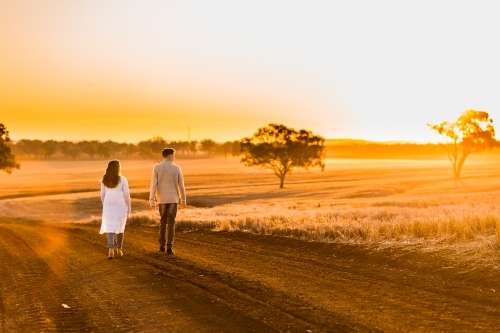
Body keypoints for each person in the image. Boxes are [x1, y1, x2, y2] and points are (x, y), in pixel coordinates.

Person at [149, 148, 186, 255]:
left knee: (162, 222)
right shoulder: (177, 168)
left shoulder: (156, 167)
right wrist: (183, 199)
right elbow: (181, 185)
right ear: (170, 156)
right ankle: (169, 247)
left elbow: (153, 185)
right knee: (171, 223)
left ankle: (161, 246)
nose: (174, 158)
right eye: (174, 156)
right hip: (173, 199)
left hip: (161, 200)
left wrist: (152, 200)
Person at [100, 160, 131, 259]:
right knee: (120, 227)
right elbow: (126, 195)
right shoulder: (123, 179)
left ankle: (110, 251)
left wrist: (105, 204)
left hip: (108, 206)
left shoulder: (104, 180)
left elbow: (102, 195)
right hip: (120, 206)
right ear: (118, 168)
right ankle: (119, 249)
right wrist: (129, 207)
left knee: (110, 228)